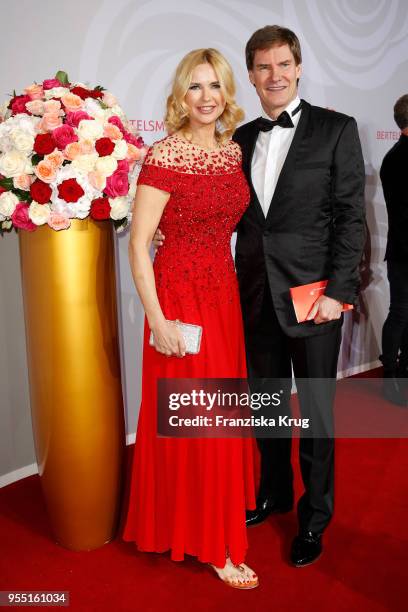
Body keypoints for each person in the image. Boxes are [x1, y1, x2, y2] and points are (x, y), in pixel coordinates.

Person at [155, 25, 366, 567]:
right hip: (251, 297)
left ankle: (314, 520)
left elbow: (350, 219)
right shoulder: (238, 139)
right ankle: (271, 493)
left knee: (316, 415)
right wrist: (166, 229)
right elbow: (210, 205)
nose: (274, 76)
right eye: (263, 68)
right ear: (249, 76)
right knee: (266, 409)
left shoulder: (337, 130)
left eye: (283, 65)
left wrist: (338, 292)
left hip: (314, 296)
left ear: (298, 68)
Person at [122, 48, 259, 589]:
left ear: (227, 93)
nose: (207, 97)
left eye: (216, 87)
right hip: (178, 297)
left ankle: (211, 520)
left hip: (221, 296)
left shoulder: (230, 152)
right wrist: (157, 320)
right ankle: (214, 544)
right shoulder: (164, 154)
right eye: (196, 87)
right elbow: (138, 246)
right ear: (181, 95)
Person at [379, 94, 408, 407]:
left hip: (401, 250)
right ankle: (391, 378)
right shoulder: (398, 158)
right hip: (403, 252)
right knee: (400, 312)